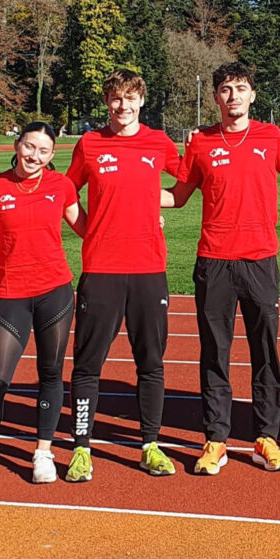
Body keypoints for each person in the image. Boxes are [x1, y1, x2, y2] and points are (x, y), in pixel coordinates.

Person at [162, 62, 280, 474]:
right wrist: (130, 197)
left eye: (241, 88)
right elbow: (177, 196)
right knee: (215, 354)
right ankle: (215, 440)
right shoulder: (201, 143)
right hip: (214, 262)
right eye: (226, 89)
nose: (234, 96)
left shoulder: (270, 136)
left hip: (261, 261)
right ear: (216, 97)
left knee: (266, 354)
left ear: (253, 95)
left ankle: (266, 438)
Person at [64, 69, 180, 482]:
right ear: (107, 102)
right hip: (101, 270)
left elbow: (188, 185)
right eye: (115, 99)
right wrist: (88, 228)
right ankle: (81, 447)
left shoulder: (159, 142)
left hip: (150, 270)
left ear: (141, 102)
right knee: (87, 365)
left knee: (150, 363)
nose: (123, 106)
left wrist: (154, 204)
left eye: (130, 98)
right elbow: (66, 194)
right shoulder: (90, 144)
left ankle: (150, 443)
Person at [0, 122, 86, 486]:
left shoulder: (61, 186)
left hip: (55, 292)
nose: (34, 156)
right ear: (17, 145)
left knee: (50, 374)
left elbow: (89, 228)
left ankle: (42, 452)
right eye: (29, 147)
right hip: (12, 295)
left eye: (43, 151)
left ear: (52, 155)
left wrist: (140, 219)